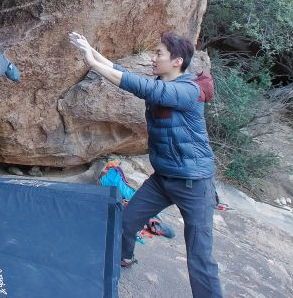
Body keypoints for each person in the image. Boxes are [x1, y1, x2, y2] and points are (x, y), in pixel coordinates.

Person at [68, 30, 223, 298]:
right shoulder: (165, 83)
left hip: (194, 183)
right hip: (163, 178)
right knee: (126, 222)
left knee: (199, 256)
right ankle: (124, 257)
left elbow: (146, 88)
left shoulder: (188, 90)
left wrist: (93, 64)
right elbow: (125, 74)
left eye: (159, 53)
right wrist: (90, 52)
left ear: (177, 61)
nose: (153, 58)